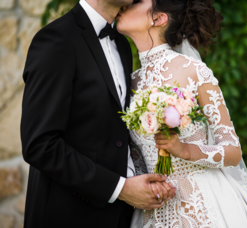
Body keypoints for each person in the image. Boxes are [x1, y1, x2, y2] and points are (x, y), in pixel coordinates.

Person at [20, 0, 175, 227]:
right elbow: (40, 145)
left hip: (120, 217)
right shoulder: (56, 39)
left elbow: (114, 133)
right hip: (67, 214)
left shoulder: (121, 44)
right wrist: (119, 189)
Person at [116, 0, 247, 227]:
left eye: (138, 1)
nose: (125, 4)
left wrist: (185, 150)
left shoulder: (194, 71)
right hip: (154, 210)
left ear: (158, 19)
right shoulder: (129, 82)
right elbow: (136, 154)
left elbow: (233, 151)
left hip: (202, 207)